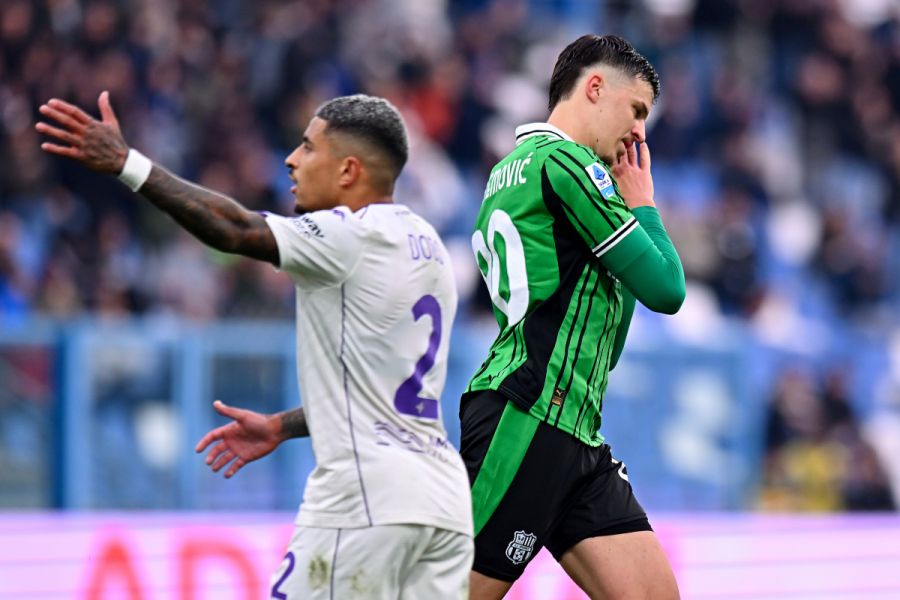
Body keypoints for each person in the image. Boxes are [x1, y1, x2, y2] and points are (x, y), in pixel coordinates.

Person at [35, 92, 474, 599]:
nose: (291, 159)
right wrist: (282, 426)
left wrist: (126, 163)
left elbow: (236, 229)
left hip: (366, 496)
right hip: (442, 504)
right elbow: (381, 393)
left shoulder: (348, 236)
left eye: (308, 147)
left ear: (348, 171)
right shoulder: (430, 245)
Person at [461, 34, 685, 599]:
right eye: (636, 110)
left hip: (574, 430)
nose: (639, 132)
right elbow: (666, 288)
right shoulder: (569, 163)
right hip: (528, 419)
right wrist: (644, 207)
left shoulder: (510, 169)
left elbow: (613, 326)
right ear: (595, 88)